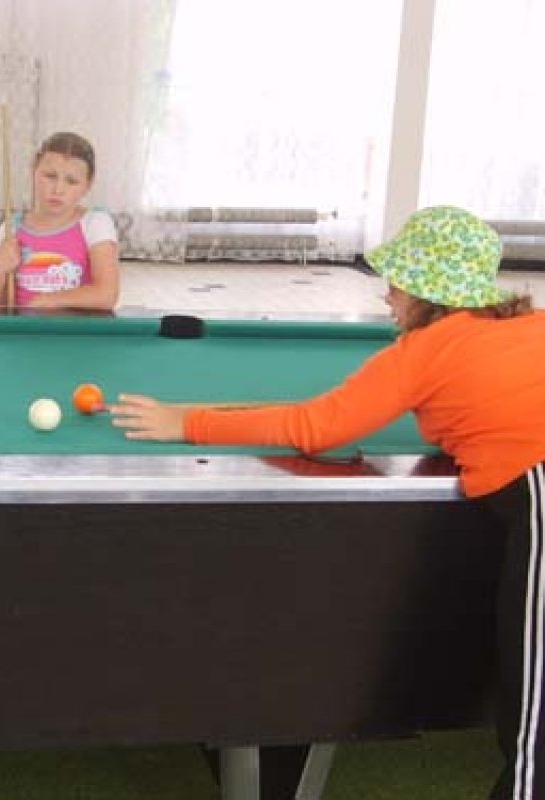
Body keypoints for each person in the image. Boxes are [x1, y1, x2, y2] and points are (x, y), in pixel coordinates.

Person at [109, 205, 545, 800]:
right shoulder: (531, 325)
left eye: (398, 282)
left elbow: (316, 428)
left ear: (429, 292)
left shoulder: (425, 351)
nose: (387, 295)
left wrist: (188, 422)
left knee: (533, 735)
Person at [0, 131, 120, 311]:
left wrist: (52, 299)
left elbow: (106, 295)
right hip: (25, 328)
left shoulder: (95, 223)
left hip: (79, 329)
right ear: (34, 171)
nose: (58, 189)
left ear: (88, 184)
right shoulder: (10, 230)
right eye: (50, 176)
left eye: (71, 181)